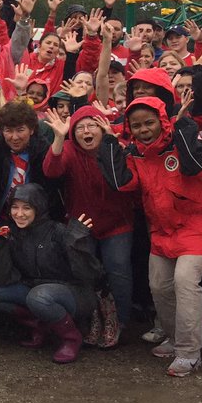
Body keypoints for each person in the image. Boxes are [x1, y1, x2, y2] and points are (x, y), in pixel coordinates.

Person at [97, 98, 202, 377]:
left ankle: (190, 352)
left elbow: (195, 166)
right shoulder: (136, 154)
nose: (144, 129)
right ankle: (173, 337)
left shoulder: (182, 142)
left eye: (149, 122)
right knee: (159, 285)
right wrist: (109, 142)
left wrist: (183, 127)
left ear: (162, 121)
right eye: (136, 125)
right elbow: (123, 183)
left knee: (185, 280)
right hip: (164, 230)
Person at [0, 184, 102, 364]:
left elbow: (89, 274)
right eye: (15, 207)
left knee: (38, 297)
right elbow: (2, 278)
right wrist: (0, 243)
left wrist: (77, 243)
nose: (19, 214)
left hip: (72, 292)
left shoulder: (59, 231)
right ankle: (41, 324)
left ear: (39, 208)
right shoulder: (11, 232)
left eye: (27, 208)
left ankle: (71, 338)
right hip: (34, 289)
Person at [42, 106, 136, 329]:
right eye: (80, 128)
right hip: (81, 224)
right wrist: (58, 137)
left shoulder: (116, 146)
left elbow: (129, 181)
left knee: (119, 271)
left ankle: (121, 321)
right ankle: (90, 322)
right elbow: (51, 170)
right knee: (85, 276)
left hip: (117, 223)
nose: (86, 131)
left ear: (102, 128)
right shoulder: (68, 149)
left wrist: (113, 143)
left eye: (92, 125)